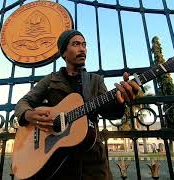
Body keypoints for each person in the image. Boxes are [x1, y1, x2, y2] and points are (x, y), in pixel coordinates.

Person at [14, 29, 139, 180]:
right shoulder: (50, 80)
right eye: (76, 44)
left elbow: (110, 111)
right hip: (57, 162)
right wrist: (29, 114)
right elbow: (23, 102)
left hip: (92, 161)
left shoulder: (95, 80)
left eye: (84, 45)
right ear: (64, 53)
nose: (82, 49)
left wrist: (120, 101)